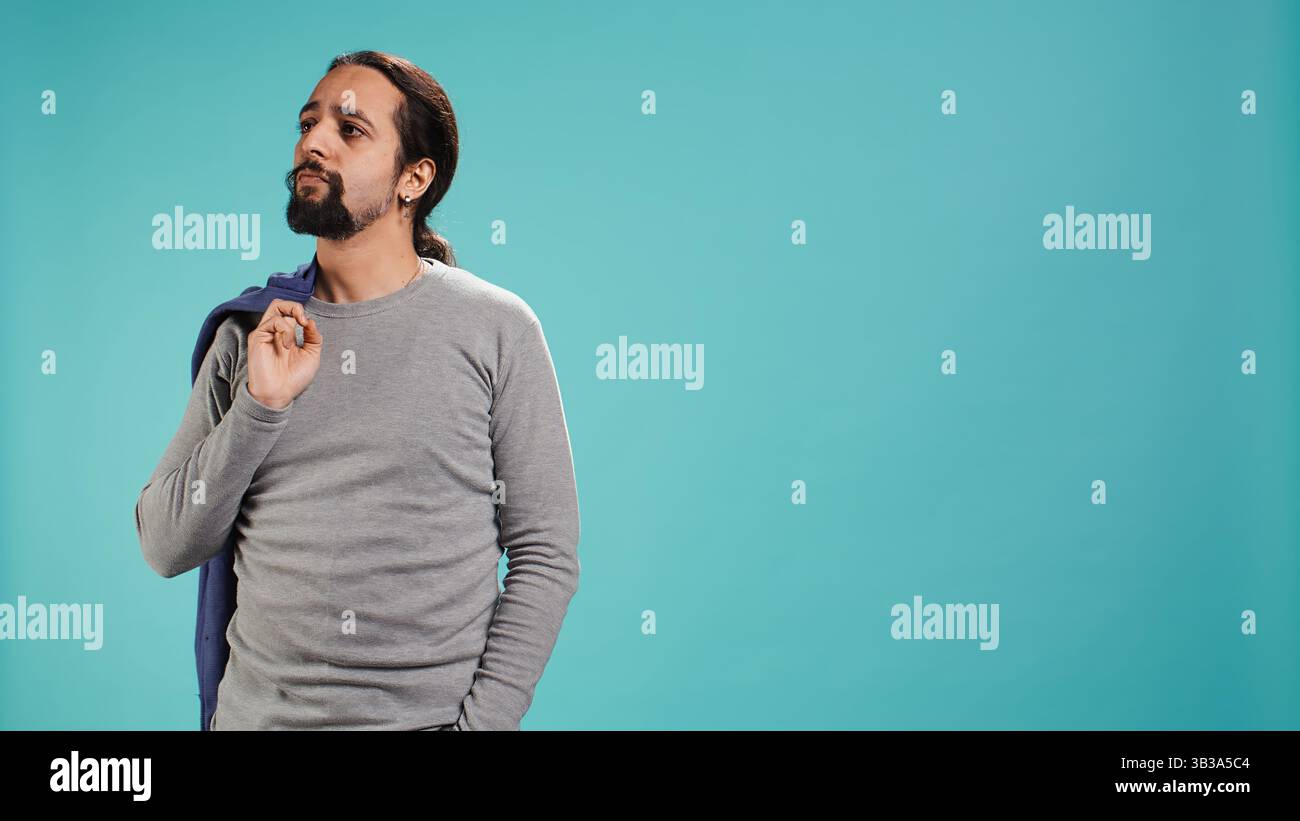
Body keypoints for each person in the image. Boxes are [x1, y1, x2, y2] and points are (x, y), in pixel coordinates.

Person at [134, 50, 581, 730]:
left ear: (414, 178)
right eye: (308, 123)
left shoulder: (497, 330)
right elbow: (167, 544)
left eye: (350, 130)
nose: (313, 142)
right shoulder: (252, 334)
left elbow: (546, 555)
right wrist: (262, 405)